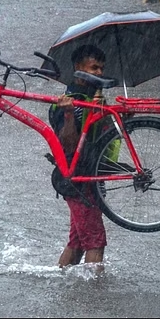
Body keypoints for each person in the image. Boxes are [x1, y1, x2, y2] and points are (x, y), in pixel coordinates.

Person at [49, 44, 111, 272]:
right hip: (78, 181)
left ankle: (61, 281)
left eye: (101, 68)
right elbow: (69, 145)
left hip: (90, 178)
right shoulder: (67, 101)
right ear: (78, 67)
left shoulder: (94, 98)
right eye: (94, 67)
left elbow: (100, 138)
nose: (99, 73)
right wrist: (67, 114)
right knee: (95, 240)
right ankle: (94, 298)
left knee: (76, 243)